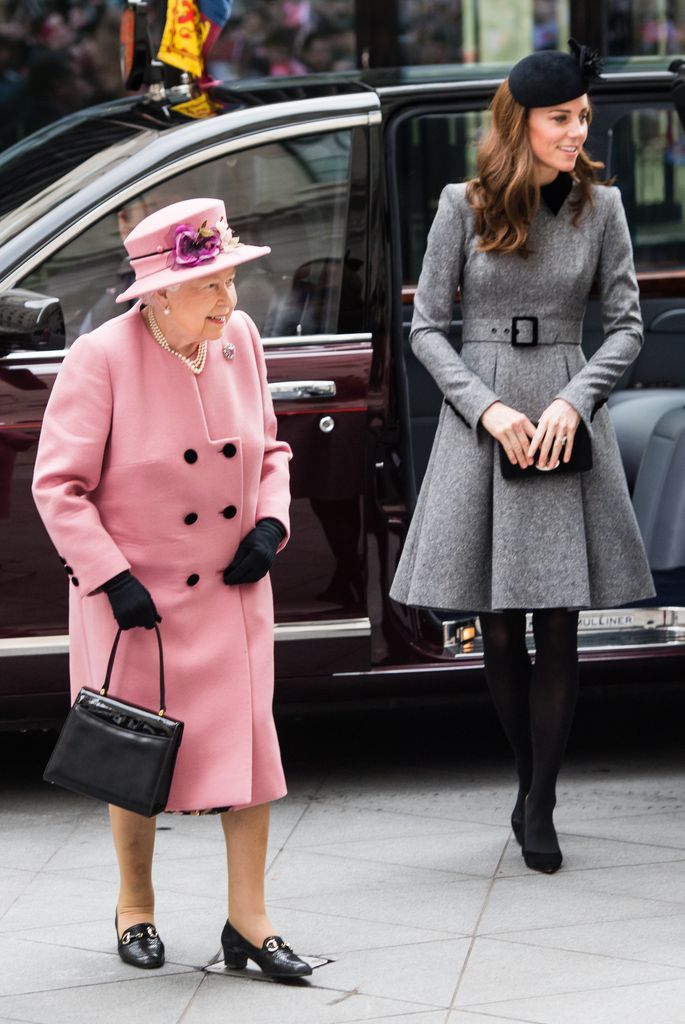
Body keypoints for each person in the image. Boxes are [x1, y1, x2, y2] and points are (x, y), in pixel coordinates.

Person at [390, 42, 655, 874]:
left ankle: (540, 802)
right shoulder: (459, 206)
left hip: (566, 405)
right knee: (498, 632)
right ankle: (524, 777)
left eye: (582, 117)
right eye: (560, 119)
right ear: (521, 122)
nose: (577, 131)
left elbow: (627, 325)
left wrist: (575, 402)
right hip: (487, 411)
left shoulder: (599, 206)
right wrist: (487, 408)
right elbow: (426, 327)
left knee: (558, 624)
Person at [32, 198, 312, 979]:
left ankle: (249, 924)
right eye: (211, 285)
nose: (230, 299)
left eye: (230, 279)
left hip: (228, 590)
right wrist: (111, 578)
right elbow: (59, 488)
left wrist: (269, 526)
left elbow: (272, 452)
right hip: (137, 603)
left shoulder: (241, 341)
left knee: (249, 755)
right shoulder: (102, 357)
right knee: (135, 753)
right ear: (156, 293)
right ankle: (135, 907)